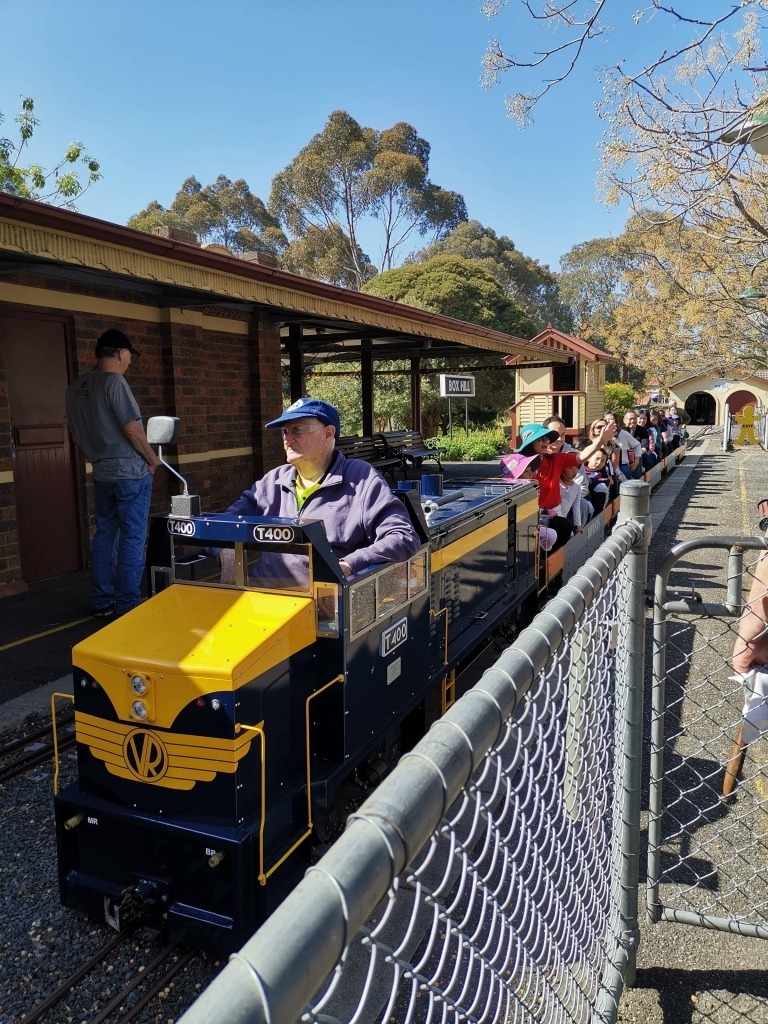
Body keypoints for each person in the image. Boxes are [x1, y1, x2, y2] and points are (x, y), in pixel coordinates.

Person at [219, 398, 421, 587]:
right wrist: (226, 552)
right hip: (263, 601)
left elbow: (403, 537)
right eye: (284, 432)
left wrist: (348, 566)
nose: (288, 439)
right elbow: (221, 525)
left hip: (325, 611)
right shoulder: (272, 481)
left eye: (297, 430)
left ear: (328, 433)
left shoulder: (361, 478)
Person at [65, 328, 158, 617]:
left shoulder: (75, 388)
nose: (130, 361)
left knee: (105, 535)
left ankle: (102, 601)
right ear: (120, 353)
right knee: (132, 537)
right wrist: (152, 459)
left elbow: (77, 436)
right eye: (129, 355)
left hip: (102, 472)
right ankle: (129, 604)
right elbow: (132, 429)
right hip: (130, 472)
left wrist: (97, 457)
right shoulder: (114, 383)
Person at [514, 419, 617, 550]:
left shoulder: (555, 459)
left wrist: (600, 441)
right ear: (530, 443)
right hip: (528, 515)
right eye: (541, 439)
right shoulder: (519, 464)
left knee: (563, 527)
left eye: (547, 438)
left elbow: (581, 457)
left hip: (553, 513)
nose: (546, 442)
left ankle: (550, 563)